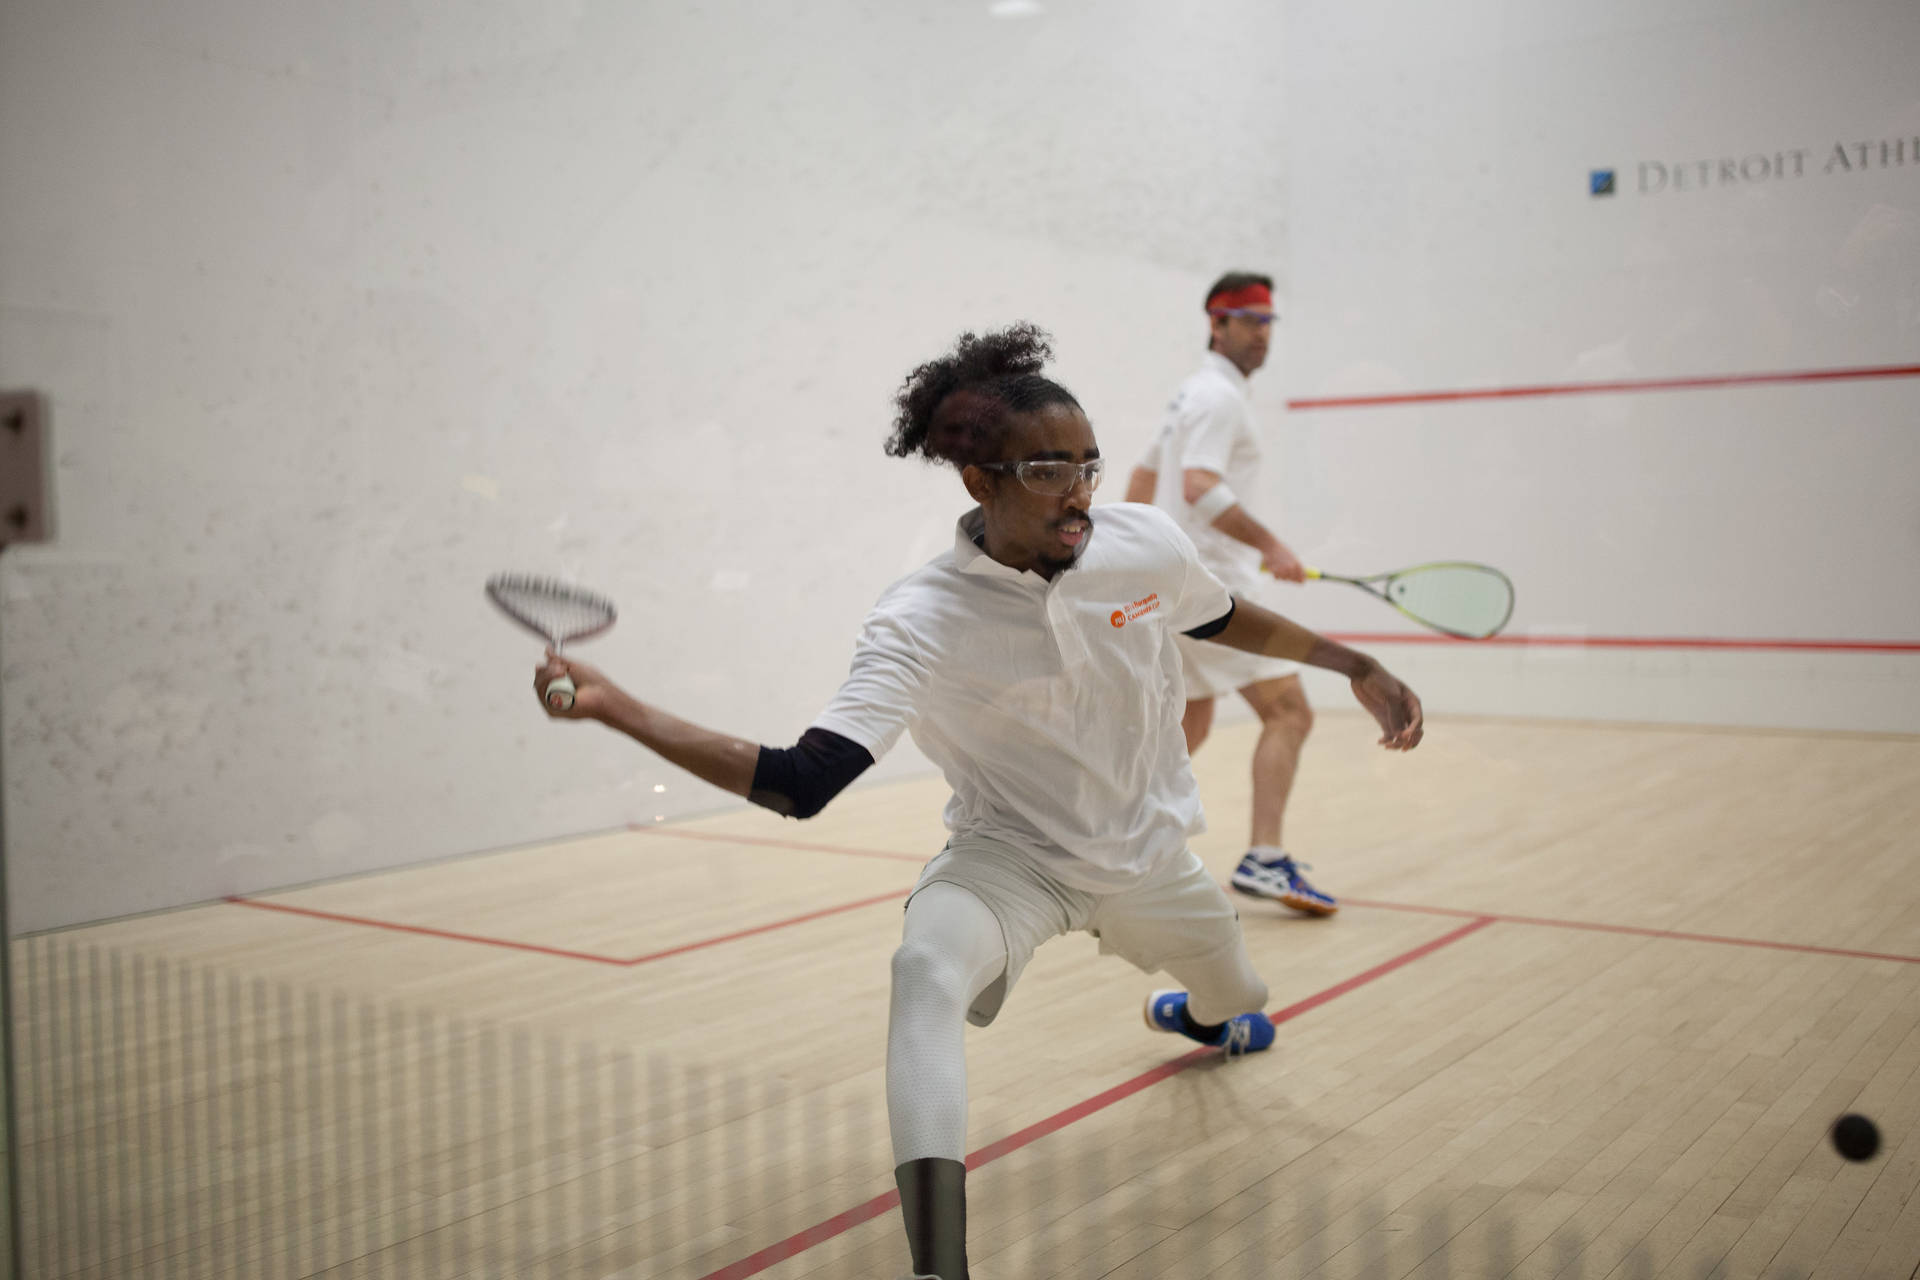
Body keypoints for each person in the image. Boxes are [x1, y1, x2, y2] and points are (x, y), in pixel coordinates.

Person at [530, 324, 1423, 1280]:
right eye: (1048, 470)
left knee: (1244, 997)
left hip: (1153, 857)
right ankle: (939, 1267)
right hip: (1013, 861)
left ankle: (1200, 1017)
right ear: (978, 481)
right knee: (924, 972)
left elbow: (1217, 612)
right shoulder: (919, 617)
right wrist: (618, 708)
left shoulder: (1144, 545)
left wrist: (1352, 661)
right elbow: (802, 780)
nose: (1079, 491)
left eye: (1089, 464)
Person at [1124, 271, 1335, 916]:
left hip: (1174, 585)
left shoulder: (1191, 394)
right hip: (1214, 590)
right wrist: (1272, 546)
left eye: (1269, 322)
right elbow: (1197, 485)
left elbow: (1145, 474)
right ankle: (1266, 860)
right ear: (1216, 322)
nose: (1261, 333)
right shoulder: (1219, 398)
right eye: (1249, 320)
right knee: (1290, 712)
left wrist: (1123, 555)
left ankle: (1127, 851)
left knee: (1190, 722)